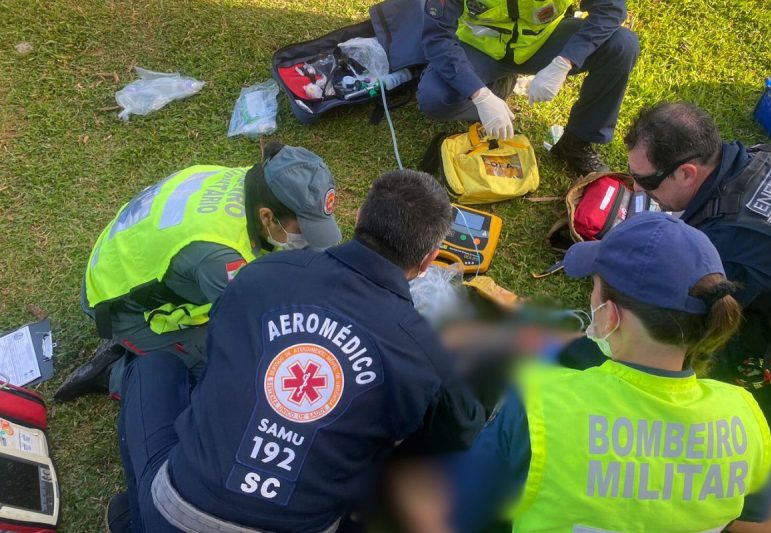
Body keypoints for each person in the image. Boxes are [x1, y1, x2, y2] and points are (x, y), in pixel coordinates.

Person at [110, 170, 485, 531]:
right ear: (428, 259)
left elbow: (220, 353)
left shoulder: (265, 272)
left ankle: (135, 518)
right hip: (303, 522)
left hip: (177, 514)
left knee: (152, 368)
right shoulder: (423, 350)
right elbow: (462, 433)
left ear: (358, 218)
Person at [441, 213, 771, 532]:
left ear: (610, 315)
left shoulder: (540, 404)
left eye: (594, 288)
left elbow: (465, 503)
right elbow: (754, 511)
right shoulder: (743, 416)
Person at [55, 142, 342, 402]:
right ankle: (116, 373)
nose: (305, 240)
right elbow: (251, 330)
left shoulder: (253, 182)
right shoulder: (221, 256)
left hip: (128, 258)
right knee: (222, 375)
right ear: (267, 216)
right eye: (302, 230)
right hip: (120, 304)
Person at [625, 102, 771, 447]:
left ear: (687, 173)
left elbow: (684, 319)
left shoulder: (727, 243)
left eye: (646, 180)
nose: (635, 189)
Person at [409, 0, 640, 175]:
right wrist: (479, 95)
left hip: (542, 42)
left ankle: (576, 144)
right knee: (435, 97)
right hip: (479, 48)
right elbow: (438, 37)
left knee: (621, 46)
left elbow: (610, 9)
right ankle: (494, 92)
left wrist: (565, 61)